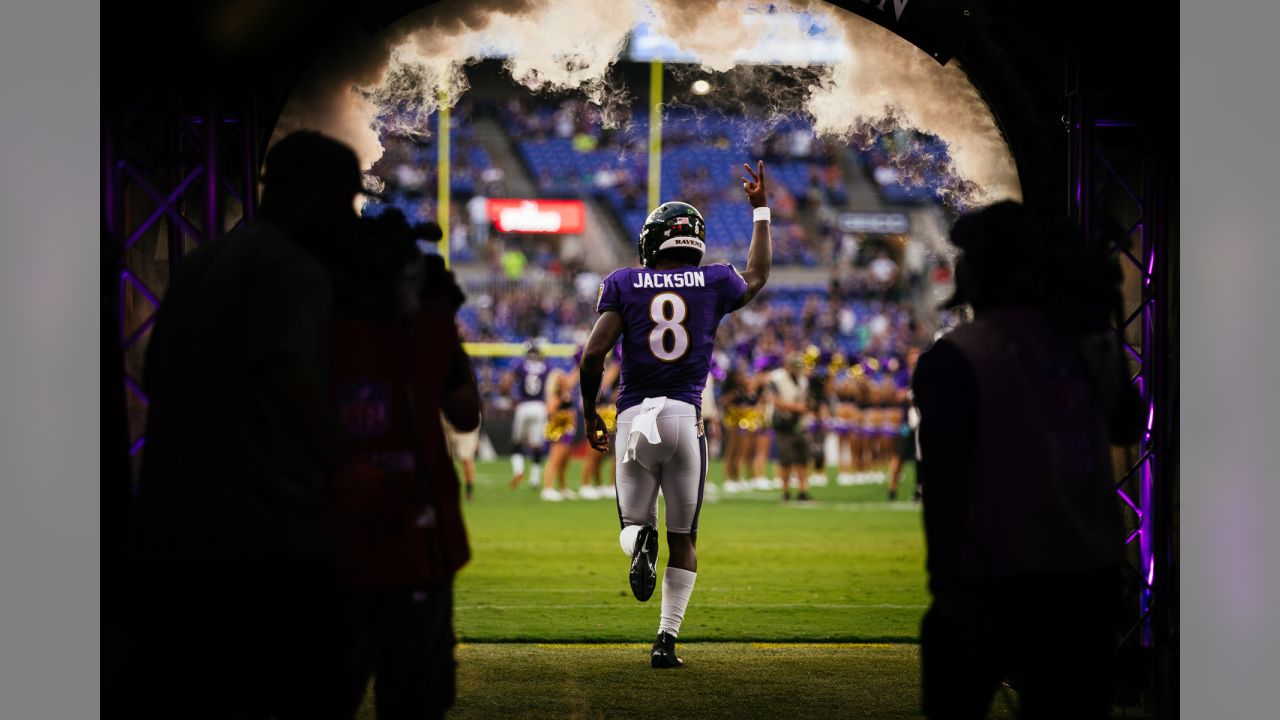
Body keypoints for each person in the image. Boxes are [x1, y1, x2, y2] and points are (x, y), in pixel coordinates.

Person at [133, 130, 366, 719]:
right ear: (312, 195)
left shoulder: (205, 261)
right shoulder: (290, 267)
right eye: (342, 199)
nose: (346, 216)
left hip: (175, 526)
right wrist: (349, 469)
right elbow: (289, 376)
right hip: (260, 534)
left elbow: (152, 372)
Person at [913, 201, 1141, 720]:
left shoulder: (953, 357)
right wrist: (1104, 322)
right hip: (1085, 583)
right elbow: (1128, 425)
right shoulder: (1086, 347)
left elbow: (944, 486)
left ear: (985, 271)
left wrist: (945, 585)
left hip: (990, 582)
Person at [579, 161, 772, 668]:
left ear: (651, 242)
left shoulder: (624, 281)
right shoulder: (712, 281)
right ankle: (666, 641)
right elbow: (757, 276)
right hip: (685, 417)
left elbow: (592, 355)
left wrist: (587, 415)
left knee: (631, 522)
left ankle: (639, 539)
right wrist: (760, 212)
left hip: (634, 415)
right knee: (684, 538)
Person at [327, 210, 477, 719]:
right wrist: (440, 325)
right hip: (418, 537)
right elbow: (465, 412)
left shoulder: (315, 328)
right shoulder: (429, 333)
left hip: (333, 539)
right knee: (415, 699)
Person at [766, 353, 812, 501]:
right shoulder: (776, 379)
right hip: (782, 422)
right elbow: (776, 401)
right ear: (787, 366)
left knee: (802, 458)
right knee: (785, 458)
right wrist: (798, 408)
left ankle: (802, 490)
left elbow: (807, 401)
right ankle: (785, 491)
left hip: (799, 422)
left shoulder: (803, 380)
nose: (797, 370)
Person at [509, 342, 549, 490]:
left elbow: (508, 381)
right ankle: (534, 479)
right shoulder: (546, 366)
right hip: (540, 406)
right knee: (537, 445)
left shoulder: (521, 364)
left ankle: (518, 471)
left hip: (524, 406)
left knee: (517, 442)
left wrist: (510, 398)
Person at [541, 355, 580, 501]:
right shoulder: (555, 396)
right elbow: (550, 412)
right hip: (559, 431)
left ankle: (563, 488)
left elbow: (574, 377)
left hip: (569, 430)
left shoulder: (567, 393)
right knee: (554, 460)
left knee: (565, 462)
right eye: (561, 380)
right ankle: (547, 488)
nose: (564, 381)